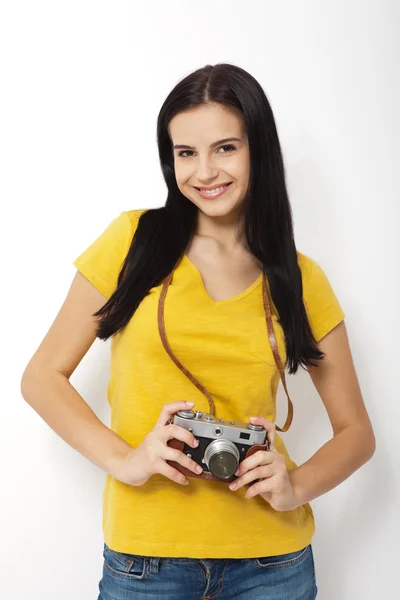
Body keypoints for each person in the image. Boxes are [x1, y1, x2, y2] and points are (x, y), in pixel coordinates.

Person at [21, 63, 376, 600]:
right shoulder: (131, 241)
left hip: (272, 565)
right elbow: (41, 377)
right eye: (186, 153)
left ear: (259, 148)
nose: (204, 171)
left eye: (226, 148)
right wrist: (126, 459)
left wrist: (295, 485)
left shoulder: (299, 278)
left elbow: (356, 433)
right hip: (146, 562)